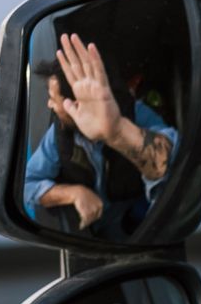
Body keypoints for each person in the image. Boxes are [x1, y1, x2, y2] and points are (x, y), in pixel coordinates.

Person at [23, 34, 179, 236]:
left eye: (54, 99)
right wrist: (74, 194)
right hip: (93, 236)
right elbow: (27, 184)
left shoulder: (137, 115)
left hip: (143, 229)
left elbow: (175, 164)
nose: (49, 105)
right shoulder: (60, 134)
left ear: (76, 105)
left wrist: (116, 132)